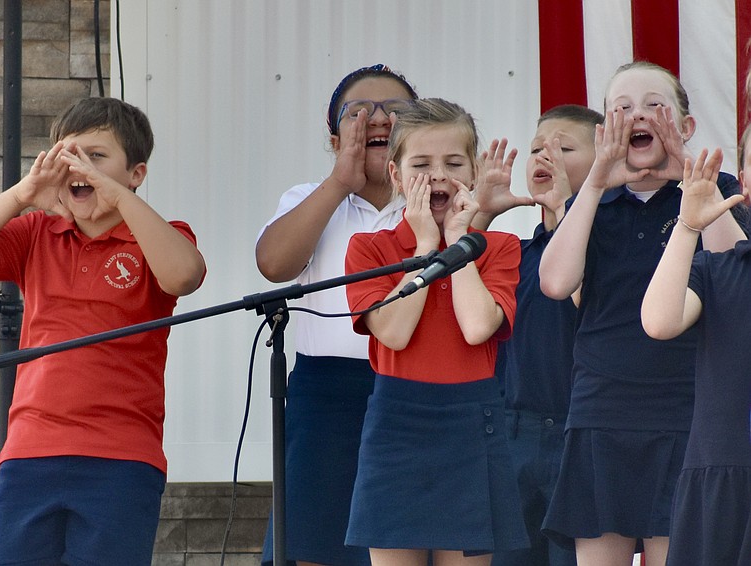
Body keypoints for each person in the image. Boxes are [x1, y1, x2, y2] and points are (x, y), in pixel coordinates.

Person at [0, 97, 207, 565]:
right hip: (30, 451)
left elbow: (183, 276)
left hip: (121, 455)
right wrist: (21, 194)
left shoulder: (159, 233)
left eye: (96, 156)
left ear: (136, 173)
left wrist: (117, 198)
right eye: (68, 154)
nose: (80, 166)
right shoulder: (38, 232)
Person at [538, 61, 748, 566]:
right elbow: (556, 281)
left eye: (656, 105)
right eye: (623, 108)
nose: (641, 116)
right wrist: (592, 183)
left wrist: (691, 184)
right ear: (605, 130)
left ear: (687, 125)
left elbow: (737, 273)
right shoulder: (596, 201)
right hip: (600, 411)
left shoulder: (713, 188)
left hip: (685, 411)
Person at [343, 97, 529, 565]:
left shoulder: (499, 247)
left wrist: (456, 243)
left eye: (453, 162)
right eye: (422, 164)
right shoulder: (370, 248)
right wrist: (426, 246)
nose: (439, 176)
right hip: (397, 419)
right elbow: (395, 332)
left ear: (472, 172)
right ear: (397, 175)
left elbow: (477, 327)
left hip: (471, 417)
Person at [255, 64, 418, 566]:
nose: (379, 119)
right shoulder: (310, 198)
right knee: (313, 544)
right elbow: (273, 264)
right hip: (325, 396)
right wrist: (339, 182)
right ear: (334, 137)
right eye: (359, 111)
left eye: (396, 110)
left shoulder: (434, 201)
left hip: (414, 391)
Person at [472, 105, 604, 566]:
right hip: (513, 436)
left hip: (581, 436)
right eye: (535, 149)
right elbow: (452, 306)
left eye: (564, 148)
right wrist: (479, 217)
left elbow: (586, 300)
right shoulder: (514, 253)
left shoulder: (612, 246)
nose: (545, 157)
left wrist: (570, 210)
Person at [640, 147, 750, 566]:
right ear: (744, 181)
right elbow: (658, 322)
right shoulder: (719, 269)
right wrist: (687, 227)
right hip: (723, 486)